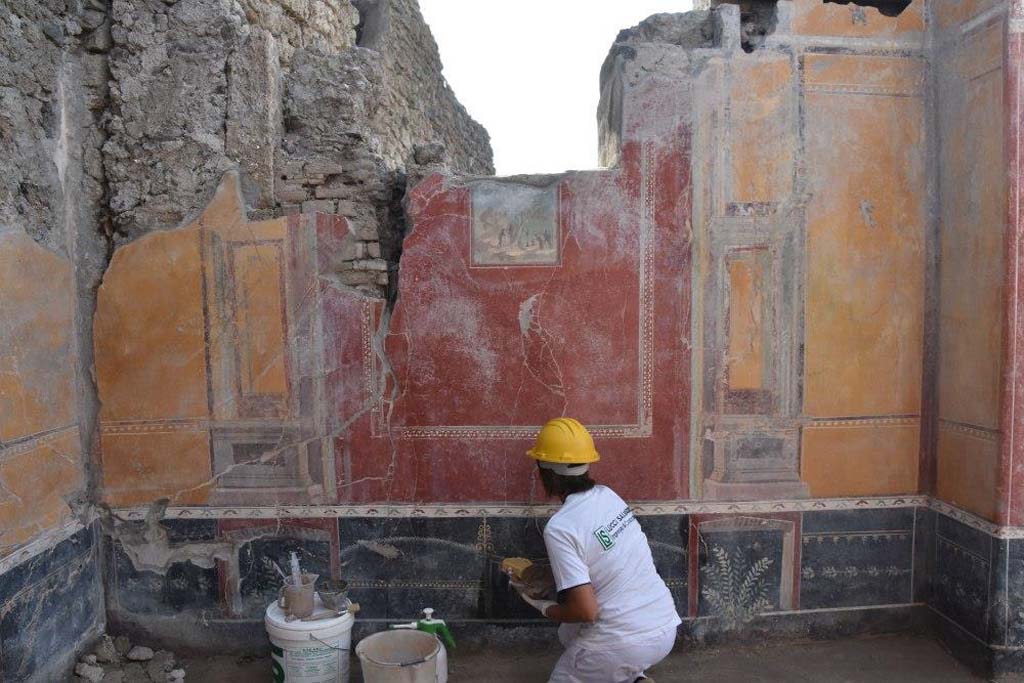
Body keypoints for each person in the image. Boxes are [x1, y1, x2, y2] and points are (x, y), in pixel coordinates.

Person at [511, 417, 681, 683]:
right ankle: (631, 677)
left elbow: (586, 612)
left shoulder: (560, 527)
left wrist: (545, 607)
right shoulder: (607, 495)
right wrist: (549, 574)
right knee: (568, 634)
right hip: (664, 626)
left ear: (545, 473)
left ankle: (621, 669)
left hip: (625, 641)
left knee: (569, 651)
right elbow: (602, 559)